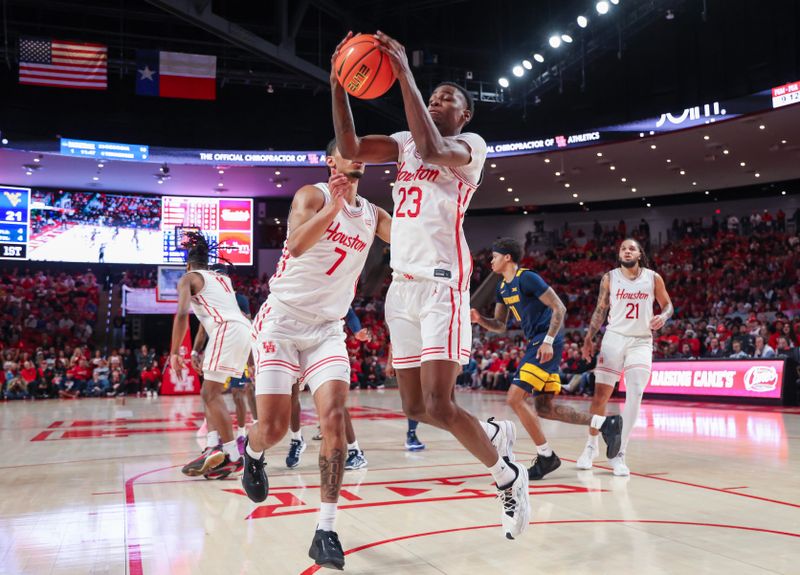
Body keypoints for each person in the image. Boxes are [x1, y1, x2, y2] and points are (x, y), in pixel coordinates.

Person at [331, 30, 529, 541]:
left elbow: (431, 147)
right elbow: (350, 147)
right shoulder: (400, 144)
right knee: (414, 408)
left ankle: (508, 477)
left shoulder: (469, 147)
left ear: (465, 115)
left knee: (441, 404)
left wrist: (404, 75)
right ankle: (492, 436)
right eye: (433, 96)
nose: (439, 101)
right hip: (402, 286)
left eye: (449, 99)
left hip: (443, 283)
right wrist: (338, 85)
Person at [242, 140, 391, 570]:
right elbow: (299, 244)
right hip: (282, 321)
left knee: (334, 419)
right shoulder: (313, 195)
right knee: (270, 428)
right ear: (331, 161)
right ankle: (252, 453)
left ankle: (326, 529)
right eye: (348, 149)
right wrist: (335, 206)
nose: (358, 153)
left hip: (327, 328)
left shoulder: (376, 215)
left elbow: (412, 242)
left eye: (361, 149)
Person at [471, 238, 622, 481]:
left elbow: (559, 307)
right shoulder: (502, 288)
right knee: (545, 408)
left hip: (545, 342)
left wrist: (549, 340)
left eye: (495, 256)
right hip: (536, 343)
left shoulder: (527, 277)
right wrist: (480, 319)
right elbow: (500, 325)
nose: (491, 260)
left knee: (514, 398)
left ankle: (546, 456)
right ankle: (606, 424)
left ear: (507, 257)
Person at [581, 238, 674, 476]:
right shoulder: (609, 277)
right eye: (623, 248)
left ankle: (619, 452)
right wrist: (589, 338)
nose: (627, 251)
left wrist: (663, 317)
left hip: (641, 341)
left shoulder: (653, 278)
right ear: (619, 253)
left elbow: (668, 305)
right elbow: (600, 309)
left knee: (635, 392)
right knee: (601, 396)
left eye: (631, 248)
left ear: (639, 254)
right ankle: (591, 446)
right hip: (614, 337)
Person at [171, 233, 251, 479]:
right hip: (243, 330)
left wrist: (175, 352)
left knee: (209, 393)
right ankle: (213, 445)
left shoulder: (188, 278)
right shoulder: (221, 278)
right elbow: (210, 318)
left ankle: (232, 456)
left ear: (188, 264)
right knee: (210, 391)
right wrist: (198, 350)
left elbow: (183, 314)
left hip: (227, 330)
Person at [286, 307, 371, 469]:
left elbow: (348, 310)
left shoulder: (329, 284)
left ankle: (355, 452)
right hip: (295, 339)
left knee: (334, 401)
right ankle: (296, 440)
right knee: (292, 395)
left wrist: (357, 330)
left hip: (323, 341)